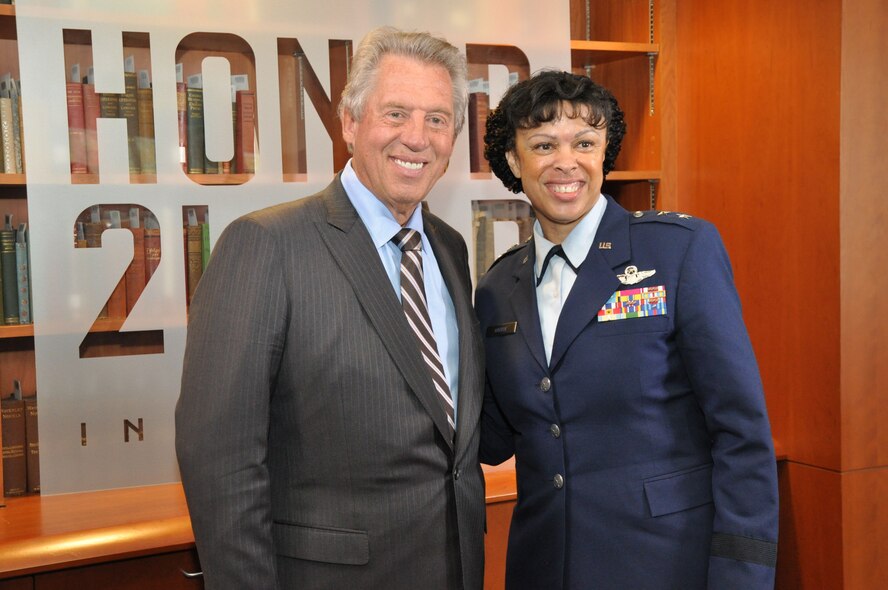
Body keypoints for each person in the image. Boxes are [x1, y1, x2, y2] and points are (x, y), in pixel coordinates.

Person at [176, 27, 485, 590]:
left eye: (437, 119)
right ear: (349, 122)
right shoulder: (266, 245)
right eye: (395, 113)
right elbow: (220, 463)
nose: (417, 138)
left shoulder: (450, 249)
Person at [476, 70, 779, 589]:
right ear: (513, 161)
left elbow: (741, 433)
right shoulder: (498, 286)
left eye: (585, 143)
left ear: (604, 153)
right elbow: (493, 437)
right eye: (543, 145)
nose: (565, 162)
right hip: (544, 567)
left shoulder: (678, 251)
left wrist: (742, 577)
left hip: (664, 564)